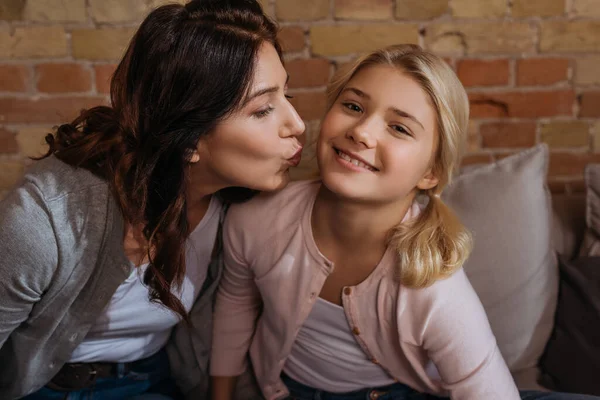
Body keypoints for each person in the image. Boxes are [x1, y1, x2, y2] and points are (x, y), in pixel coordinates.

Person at [209, 44, 600, 400]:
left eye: (398, 128)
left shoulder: (433, 286)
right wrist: (221, 393)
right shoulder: (255, 220)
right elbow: (235, 302)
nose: (361, 132)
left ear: (430, 173)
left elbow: (486, 387)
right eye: (353, 106)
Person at [0, 0, 304, 399]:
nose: (297, 123)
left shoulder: (239, 209)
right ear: (190, 137)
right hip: (50, 387)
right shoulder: (47, 217)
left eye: (288, 93)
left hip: (161, 379)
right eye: (263, 109)